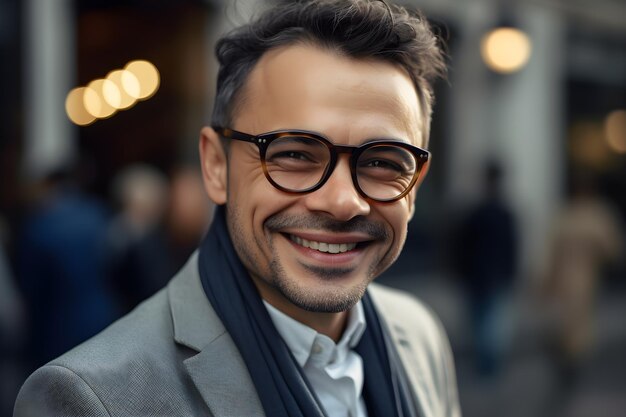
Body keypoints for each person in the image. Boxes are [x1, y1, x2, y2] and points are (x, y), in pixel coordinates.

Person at [14, 1, 460, 416]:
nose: (343, 202)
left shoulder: (419, 335)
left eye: (383, 162)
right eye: (294, 154)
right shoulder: (94, 399)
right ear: (215, 167)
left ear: (415, 186)